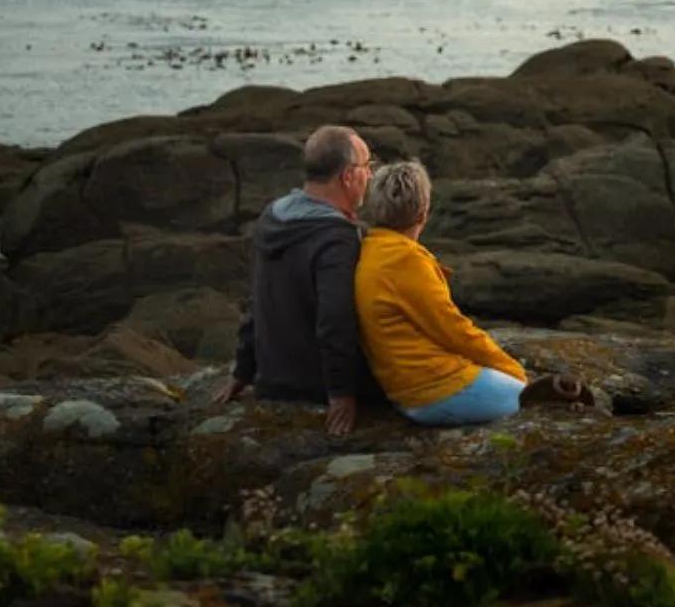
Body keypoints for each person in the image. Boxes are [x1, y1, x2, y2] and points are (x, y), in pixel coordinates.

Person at [217, 125, 385, 435]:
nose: (371, 176)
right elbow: (335, 320)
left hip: (271, 378)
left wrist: (243, 369)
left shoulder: (272, 217)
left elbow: (256, 298)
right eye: (366, 167)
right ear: (348, 176)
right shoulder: (336, 238)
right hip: (314, 386)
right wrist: (341, 394)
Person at [355, 159, 536, 426]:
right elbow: (453, 329)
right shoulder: (405, 260)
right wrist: (514, 371)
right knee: (546, 406)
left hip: (408, 388)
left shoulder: (371, 249)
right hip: (436, 389)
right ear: (423, 213)